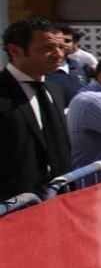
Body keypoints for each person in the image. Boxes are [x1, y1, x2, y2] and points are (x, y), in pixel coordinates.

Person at [1, 18, 72, 202]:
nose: (58, 55)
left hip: (60, 196)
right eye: (47, 48)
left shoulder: (55, 89)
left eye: (62, 48)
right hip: (14, 203)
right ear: (15, 50)